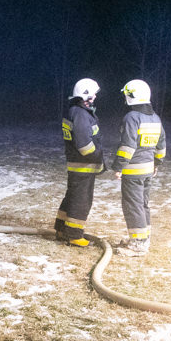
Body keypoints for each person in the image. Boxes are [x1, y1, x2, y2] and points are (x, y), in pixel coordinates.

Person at [112, 79, 166, 256]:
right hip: (148, 169)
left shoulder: (132, 117)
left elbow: (128, 145)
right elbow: (161, 146)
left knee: (133, 205)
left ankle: (138, 244)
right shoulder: (155, 118)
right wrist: (157, 163)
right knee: (143, 204)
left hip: (133, 170)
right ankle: (143, 237)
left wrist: (119, 166)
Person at [55, 78, 105, 247]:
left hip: (77, 164)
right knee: (81, 200)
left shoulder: (75, 111)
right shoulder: (81, 114)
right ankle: (75, 235)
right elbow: (84, 145)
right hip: (83, 165)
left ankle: (62, 229)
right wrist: (98, 157)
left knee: (72, 196)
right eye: (93, 95)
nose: (95, 97)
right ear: (86, 96)